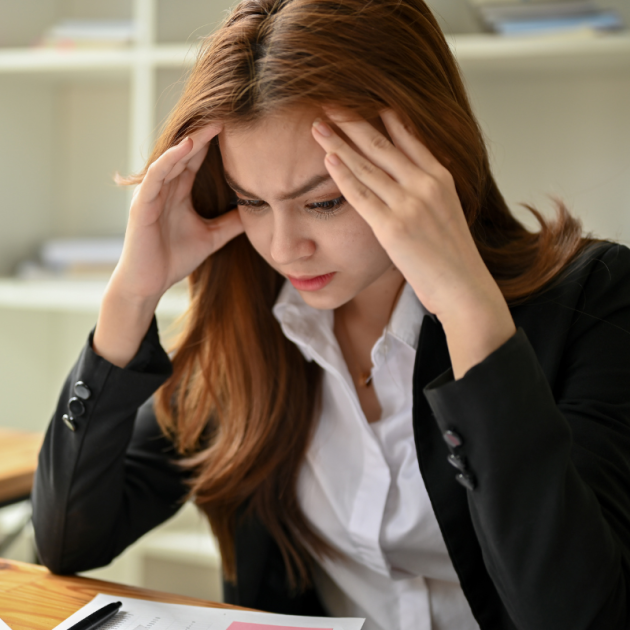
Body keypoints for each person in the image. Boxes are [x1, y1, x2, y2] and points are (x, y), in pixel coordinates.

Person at [31, 0, 630, 628]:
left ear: (427, 161)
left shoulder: (589, 301)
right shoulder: (258, 321)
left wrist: (468, 311)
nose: (285, 248)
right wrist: (130, 297)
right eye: (251, 201)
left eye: (323, 202)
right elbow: (69, 540)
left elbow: (582, 616)